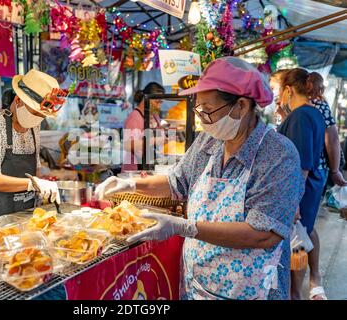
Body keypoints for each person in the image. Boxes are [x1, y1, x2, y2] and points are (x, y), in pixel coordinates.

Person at [96, 57, 305, 300]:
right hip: (197, 287)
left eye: (208, 110)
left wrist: (185, 227)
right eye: (199, 109)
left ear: (241, 106)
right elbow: (176, 182)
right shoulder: (210, 140)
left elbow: (264, 233)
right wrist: (130, 184)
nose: (202, 118)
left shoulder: (277, 154)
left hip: (249, 291)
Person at [0, 69, 65, 221]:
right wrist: (32, 183)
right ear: (18, 101)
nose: (38, 120)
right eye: (35, 113)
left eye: (42, 116)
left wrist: (42, 191)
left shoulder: (34, 127)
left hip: (26, 212)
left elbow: (35, 166)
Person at [276, 68, 327, 300]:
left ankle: (294, 294)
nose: (278, 96)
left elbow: (302, 163)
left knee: (295, 241)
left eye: (279, 90)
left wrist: (294, 200)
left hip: (300, 188)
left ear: (288, 89)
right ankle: (294, 292)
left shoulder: (301, 116)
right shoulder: (311, 113)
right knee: (300, 238)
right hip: (308, 186)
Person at [123, 82, 165, 171]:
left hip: (151, 167)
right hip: (135, 170)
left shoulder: (155, 116)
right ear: (146, 99)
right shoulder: (135, 117)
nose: (159, 106)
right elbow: (128, 145)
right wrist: (154, 140)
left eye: (161, 102)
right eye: (157, 102)